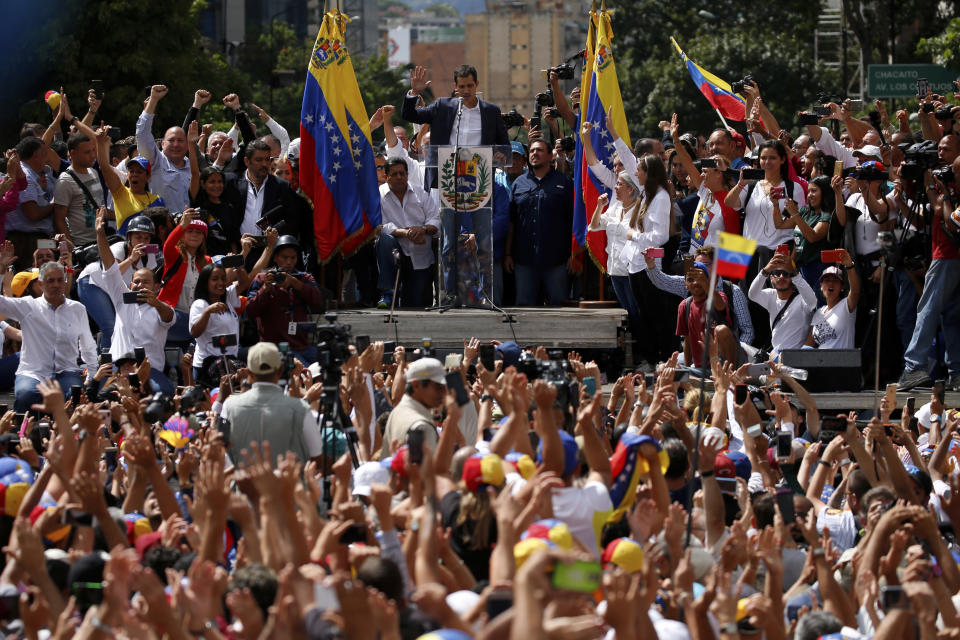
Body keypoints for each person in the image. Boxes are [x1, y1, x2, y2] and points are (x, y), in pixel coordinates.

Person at [90, 208, 175, 393]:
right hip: (118, 369)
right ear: (130, 284)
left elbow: (169, 317)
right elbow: (111, 268)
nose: (140, 285)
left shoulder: (161, 309)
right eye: (136, 282)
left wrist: (156, 303)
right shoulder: (122, 300)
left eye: (146, 282)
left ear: (156, 288)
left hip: (150, 371)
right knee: (103, 398)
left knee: (162, 394)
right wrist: (100, 233)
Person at [0, 261, 96, 411]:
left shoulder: (77, 309)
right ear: (40, 284)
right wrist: (1, 273)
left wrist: (92, 373)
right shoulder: (29, 306)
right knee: (26, 394)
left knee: (76, 394)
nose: (56, 285)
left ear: (65, 282)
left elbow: (87, 343)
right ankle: (20, 432)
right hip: (34, 372)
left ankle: (66, 432)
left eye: (60, 280)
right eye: (50, 281)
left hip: (66, 371)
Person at [188, 230, 276, 384]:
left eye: (223, 278)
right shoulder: (200, 304)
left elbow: (252, 274)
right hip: (209, 364)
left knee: (265, 354)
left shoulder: (228, 295)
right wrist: (208, 311)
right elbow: (195, 332)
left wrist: (269, 247)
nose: (221, 283)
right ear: (205, 281)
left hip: (230, 359)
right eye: (215, 279)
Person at [401, 64, 510, 189]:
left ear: (477, 84)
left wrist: (501, 154)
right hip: (443, 179)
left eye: (470, 85)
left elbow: (504, 144)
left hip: (479, 180)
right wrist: (414, 92)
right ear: (455, 86)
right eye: (462, 86)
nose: (466, 91)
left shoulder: (491, 111)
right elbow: (409, 115)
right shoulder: (442, 106)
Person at [220, 342, 315, 464]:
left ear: (249, 373)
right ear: (280, 370)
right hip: (288, 481)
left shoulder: (229, 406)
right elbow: (316, 455)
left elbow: (223, 453)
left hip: (244, 480)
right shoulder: (301, 407)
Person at [506, 139, 574, 306]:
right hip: (524, 261)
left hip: (557, 260)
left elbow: (573, 220)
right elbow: (511, 222)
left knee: (560, 308)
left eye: (540, 150)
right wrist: (508, 254)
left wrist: (574, 254)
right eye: (531, 151)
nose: (534, 153)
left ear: (551, 156)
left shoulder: (564, 183)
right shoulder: (518, 184)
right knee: (524, 308)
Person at [77, 214, 159, 350]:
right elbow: (113, 273)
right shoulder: (119, 248)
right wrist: (132, 259)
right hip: (92, 284)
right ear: (129, 237)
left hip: (115, 291)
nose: (143, 242)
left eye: (146, 238)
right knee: (110, 325)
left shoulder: (149, 256)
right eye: (138, 237)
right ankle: (105, 366)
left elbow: (150, 281)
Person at [627, 153, 675, 366]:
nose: (635, 173)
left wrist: (635, 236)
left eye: (639, 169)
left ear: (649, 173)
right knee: (643, 314)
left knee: (656, 314)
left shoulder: (661, 196)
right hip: (636, 263)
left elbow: (661, 236)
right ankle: (651, 357)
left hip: (651, 265)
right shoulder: (646, 194)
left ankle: (663, 358)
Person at [245, 235, 324, 364]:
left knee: (331, 365)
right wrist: (265, 288)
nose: (289, 262)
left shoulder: (304, 278)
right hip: (274, 349)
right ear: (275, 258)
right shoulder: (262, 278)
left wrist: (295, 283)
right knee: (307, 371)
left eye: (293, 258)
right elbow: (250, 312)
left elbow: (318, 302)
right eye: (284, 257)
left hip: (302, 346)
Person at [589, 171, 644, 356]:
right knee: (628, 312)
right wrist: (599, 206)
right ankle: (633, 353)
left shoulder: (640, 210)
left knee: (637, 313)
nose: (616, 187)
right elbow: (595, 225)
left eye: (620, 184)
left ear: (631, 188)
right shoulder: (614, 208)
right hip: (614, 270)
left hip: (632, 271)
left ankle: (643, 353)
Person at [377, 158, 438, 308]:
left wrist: (422, 230)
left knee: (417, 306)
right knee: (385, 240)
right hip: (395, 251)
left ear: (407, 174)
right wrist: (406, 233)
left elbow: (436, 219)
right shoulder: (378, 194)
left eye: (402, 173)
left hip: (420, 255)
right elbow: (379, 226)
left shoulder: (420, 192)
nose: (399, 177)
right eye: (394, 174)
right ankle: (388, 293)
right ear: (385, 177)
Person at [774, 175, 840, 295]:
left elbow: (812, 237)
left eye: (814, 191)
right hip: (801, 268)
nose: (809, 195)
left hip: (819, 269)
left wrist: (795, 214)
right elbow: (780, 225)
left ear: (824, 192)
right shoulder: (805, 211)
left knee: (816, 306)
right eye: (808, 191)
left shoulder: (827, 214)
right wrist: (775, 205)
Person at [158, 210, 213, 344]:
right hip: (173, 316)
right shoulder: (174, 254)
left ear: (203, 238)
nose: (194, 234)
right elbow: (168, 245)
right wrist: (182, 225)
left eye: (199, 232)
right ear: (182, 235)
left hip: (195, 318)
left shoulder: (207, 261)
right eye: (190, 231)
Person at [748, 252, 817, 356]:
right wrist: (765, 270)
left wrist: (794, 273)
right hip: (775, 356)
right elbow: (752, 294)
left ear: (792, 278)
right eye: (777, 273)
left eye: (786, 274)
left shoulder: (802, 299)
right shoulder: (771, 295)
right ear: (771, 277)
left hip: (796, 357)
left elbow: (813, 301)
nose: (781, 277)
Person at [136, 85, 191, 214]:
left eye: (181, 141)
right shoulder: (155, 162)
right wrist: (153, 100)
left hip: (190, 229)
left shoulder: (194, 167)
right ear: (162, 144)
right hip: (162, 228)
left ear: (188, 145)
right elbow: (143, 135)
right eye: (171, 140)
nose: (176, 144)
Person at [676, 261, 738, 367]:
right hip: (701, 368)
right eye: (691, 280)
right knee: (666, 368)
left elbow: (720, 306)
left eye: (699, 279)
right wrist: (686, 370)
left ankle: (730, 376)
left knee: (721, 330)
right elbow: (687, 340)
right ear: (686, 284)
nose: (695, 283)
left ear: (708, 280)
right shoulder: (684, 305)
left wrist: (706, 285)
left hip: (723, 364)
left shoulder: (719, 296)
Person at [380, 358, 446, 457]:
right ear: (416, 385)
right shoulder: (422, 427)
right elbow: (427, 471)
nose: (443, 393)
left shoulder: (397, 411)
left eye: (445, 387)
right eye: (438, 387)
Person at [7, 137, 56, 271]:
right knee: (32, 283)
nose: (47, 158)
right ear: (35, 155)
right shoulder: (26, 176)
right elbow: (33, 214)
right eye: (45, 153)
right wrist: (53, 204)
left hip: (33, 240)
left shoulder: (31, 175)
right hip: (27, 243)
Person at [806, 250, 860, 350]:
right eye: (826, 280)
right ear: (821, 286)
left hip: (841, 363)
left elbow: (855, 291)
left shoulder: (846, 305)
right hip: (819, 363)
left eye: (835, 281)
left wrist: (849, 266)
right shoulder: (819, 313)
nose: (830, 284)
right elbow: (807, 346)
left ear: (842, 287)